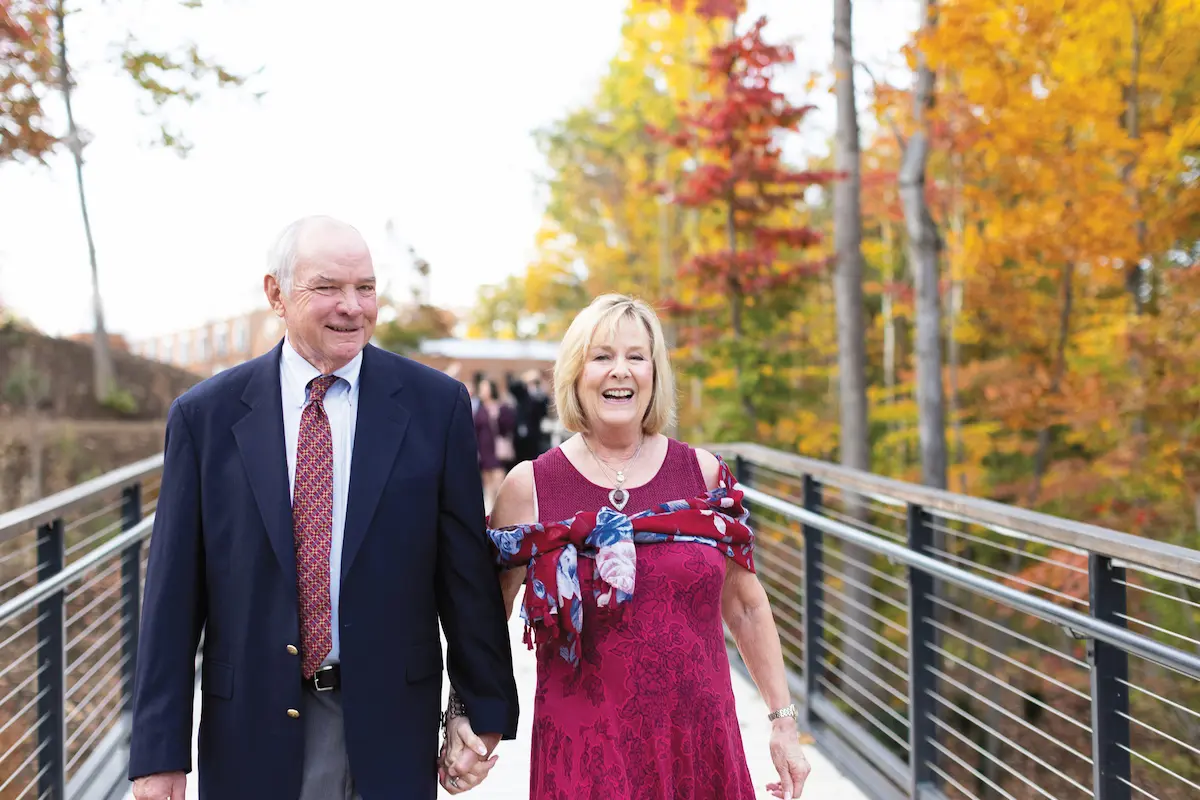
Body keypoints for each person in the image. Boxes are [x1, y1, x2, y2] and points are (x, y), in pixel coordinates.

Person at [127, 215, 519, 800]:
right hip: (251, 725)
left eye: (365, 287)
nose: (353, 307)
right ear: (276, 294)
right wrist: (158, 754)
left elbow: (463, 572)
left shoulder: (435, 407)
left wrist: (479, 707)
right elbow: (171, 595)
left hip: (390, 720)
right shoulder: (205, 417)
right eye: (329, 288)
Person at [440, 294, 811, 799]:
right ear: (575, 372)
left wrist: (783, 724)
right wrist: (465, 719)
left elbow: (745, 606)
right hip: (587, 754)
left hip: (697, 745)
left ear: (655, 373)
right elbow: (486, 621)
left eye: (637, 357)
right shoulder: (530, 487)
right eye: (602, 357)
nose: (621, 372)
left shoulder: (702, 474)